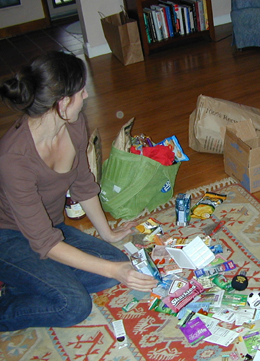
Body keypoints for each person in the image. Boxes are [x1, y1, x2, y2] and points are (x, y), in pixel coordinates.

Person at [0, 51, 158, 331]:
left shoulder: (73, 125)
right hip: (7, 237)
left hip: (49, 227)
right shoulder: (14, 158)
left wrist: (108, 234)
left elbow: (83, 184)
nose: (86, 95)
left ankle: (32, 279)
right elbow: (45, 243)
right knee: (73, 304)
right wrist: (114, 271)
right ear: (61, 102)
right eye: (80, 90)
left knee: (115, 263)